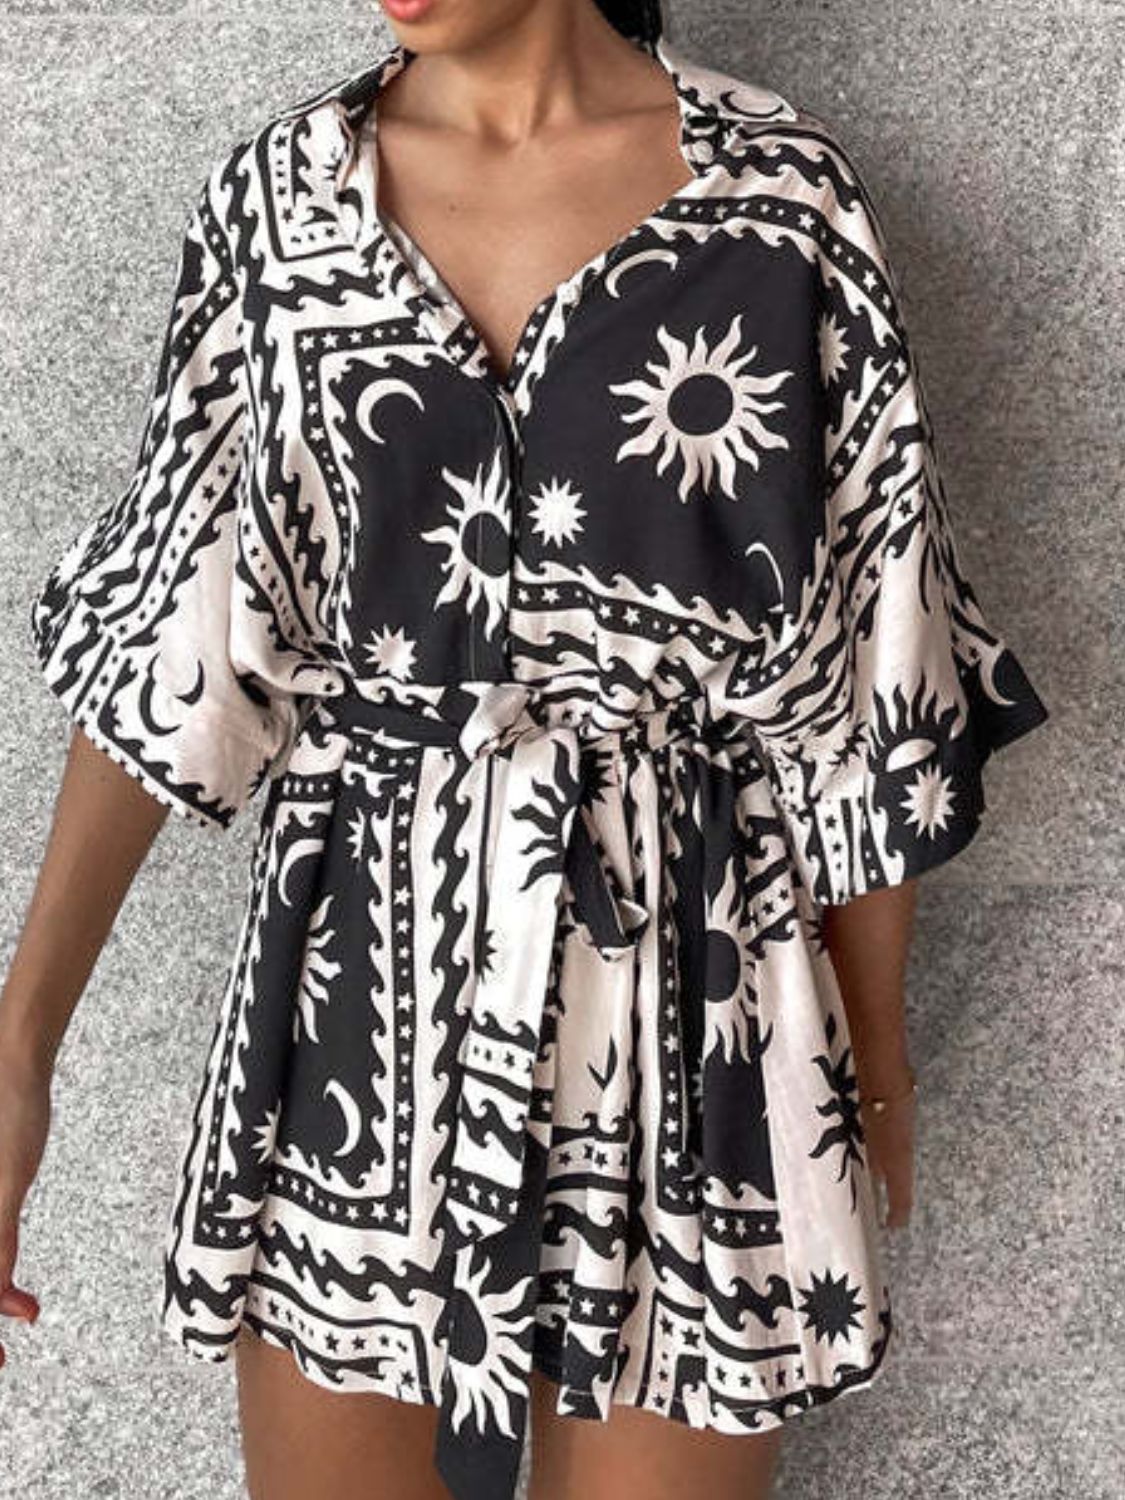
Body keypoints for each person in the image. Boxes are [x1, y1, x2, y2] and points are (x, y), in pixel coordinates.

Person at [0, 1, 1050, 1497]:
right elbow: (174, 641)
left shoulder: (780, 202)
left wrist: (873, 1059)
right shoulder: (281, 206)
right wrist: (20, 1048)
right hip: (360, 996)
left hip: (696, 1005)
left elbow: (876, 684)